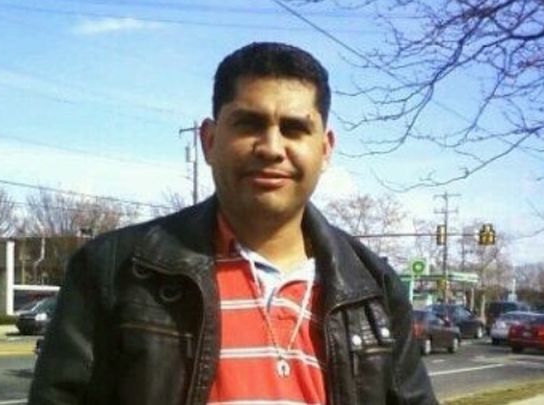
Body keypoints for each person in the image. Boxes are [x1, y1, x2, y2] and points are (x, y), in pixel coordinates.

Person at [29, 42, 438, 405]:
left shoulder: (374, 288)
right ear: (209, 140)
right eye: (249, 124)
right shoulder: (112, 269)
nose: (272, 148)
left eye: (295, 129)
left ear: (325, 149)